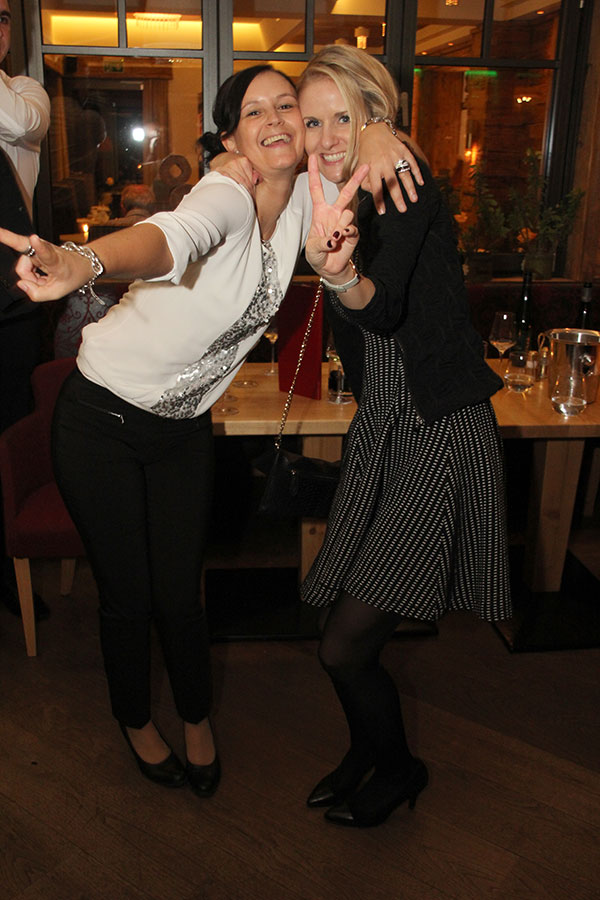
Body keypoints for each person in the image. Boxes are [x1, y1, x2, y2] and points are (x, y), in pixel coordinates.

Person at [0, 64, 414, 796]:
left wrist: (378, 127)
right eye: (254, 112)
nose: (277, 119)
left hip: (182, 429)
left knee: (182, 593)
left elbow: (351, 141)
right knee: (129, 596)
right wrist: (87, 261)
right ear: (231, 140)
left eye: (286, 106)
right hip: (100, 420)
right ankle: (135, 718)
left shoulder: (309, 198)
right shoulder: (224, 194)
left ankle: (196, 716)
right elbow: (171, 237)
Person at [297, 45, 511, 828]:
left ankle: (398, 767)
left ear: (376, 115)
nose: (325, 136)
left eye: (342, 117)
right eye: (312, 121)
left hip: (437, 432)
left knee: (344, 645)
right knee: (342, 635)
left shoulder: (402, 181)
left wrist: (339, 275)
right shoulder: (338, 193)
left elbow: (383, 306)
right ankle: (369, 751)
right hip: (385, 429)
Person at [0, 0, 51, 618]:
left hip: (12, 289)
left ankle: (9, 571)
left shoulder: (26, 92)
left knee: (9, 430)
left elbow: (16, 122)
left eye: (2, 17)